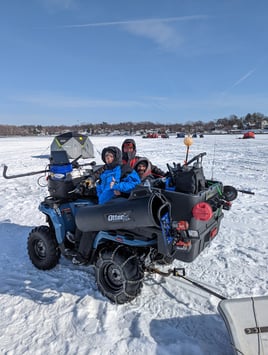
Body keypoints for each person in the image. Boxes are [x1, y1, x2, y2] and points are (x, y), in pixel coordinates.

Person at [72, 146, 141, 265]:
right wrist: (96, 190)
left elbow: (136, 184)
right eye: (106, 157)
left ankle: (82, 257)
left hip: (115, 207)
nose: (108, 159)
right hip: (103, 205)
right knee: (82, 215)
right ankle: (76, 245)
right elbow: (102, 187)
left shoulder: (124, 169)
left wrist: (119, 187)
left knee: (90, 226)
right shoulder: (106, 171)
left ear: (116, 157)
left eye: (110, 157)